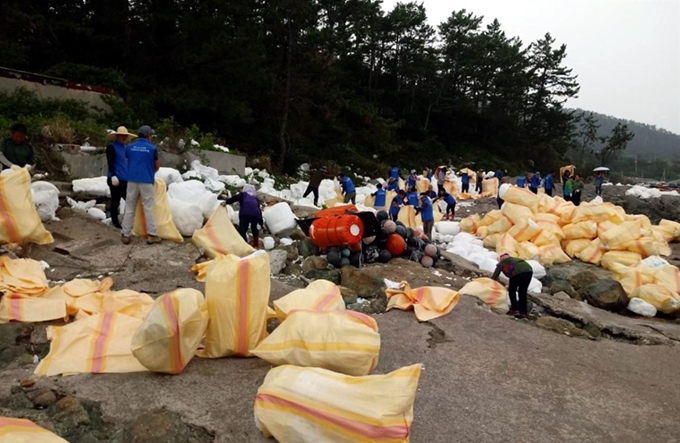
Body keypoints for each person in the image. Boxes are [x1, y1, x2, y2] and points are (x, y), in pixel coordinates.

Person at [120, 125, 161, 245]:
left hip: (132, 180)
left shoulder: (129, 147)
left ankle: (125, 234)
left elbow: (128, 160)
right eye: (151, 135)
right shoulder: (152, 149)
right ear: (148, 135)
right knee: (148, 207)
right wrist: (149, 171)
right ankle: (152, 235)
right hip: (146, 181)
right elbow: (157, 166)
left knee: (130, 207)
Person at [106, 126, 135, 229]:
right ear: (117, 136)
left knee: (129, 200)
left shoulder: (126, 148)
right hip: (115, 178)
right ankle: (115, 221)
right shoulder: (111, 147)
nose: (124, 138)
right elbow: (110, 162)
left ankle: (128, 221)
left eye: (125, 136)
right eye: (122, 136)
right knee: (116, 200)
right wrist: (113, 174)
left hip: (125, 178)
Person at [492, 252, 533, 319]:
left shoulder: (502, 262)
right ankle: (523, 313)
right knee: (522, 292)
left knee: (512, 290)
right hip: (529, 271)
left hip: (517, 272)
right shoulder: (515, 259)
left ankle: (515, 310)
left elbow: (495, 275)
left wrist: (492, 281)